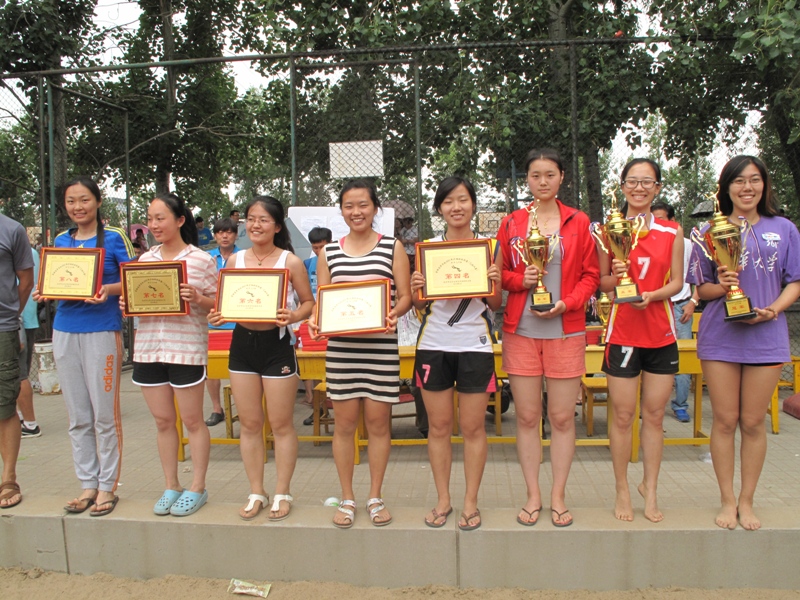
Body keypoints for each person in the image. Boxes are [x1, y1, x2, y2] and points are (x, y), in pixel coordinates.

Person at [688, 155, 800, 531]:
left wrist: (772, 311)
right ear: (727, 187)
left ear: (764, 185)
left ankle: (748, 500)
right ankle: (727, 499)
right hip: (721, 337)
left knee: (753, 421)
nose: (747, 187)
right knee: (725, 420)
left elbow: (795, 281)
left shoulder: (784, 229)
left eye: (754, 180)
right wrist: (723, 284)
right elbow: (701, 290)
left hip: (767, 336)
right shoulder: (710, 231)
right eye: (739, 181)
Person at [497, 148, 599, 527]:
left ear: (561, 178)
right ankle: (532, 495)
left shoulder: (578, 220)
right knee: (527, 416)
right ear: (527, 179)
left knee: (561, 417)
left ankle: (557, 495)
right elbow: (499, 274)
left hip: (565, 330)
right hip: (521, 331)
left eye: (550, 174)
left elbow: (591, 275)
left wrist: (567, 303)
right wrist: (518, 279)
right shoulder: (511, 223)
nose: (543, 181)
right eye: (536, 175)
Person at [310, 179, 412, 528]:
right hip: (342, 351)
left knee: (379, 426)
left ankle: (375, 496)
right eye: (349, 206)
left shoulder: (392, 247)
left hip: (380, 349)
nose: (356, 212)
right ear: (341, 211)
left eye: (363, 205)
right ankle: (347, 497)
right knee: (344, 426)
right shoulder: (328, 253)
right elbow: (322, 300)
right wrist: (315, 320)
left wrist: (393, 314)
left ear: (375, 208)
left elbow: (405, 296)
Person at [208, 197, 314, 521]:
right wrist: (217, 314)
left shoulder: (290, 261)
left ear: (277, 226)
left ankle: (282, 491)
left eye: (264, 219)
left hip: (277, 345)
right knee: (251, 424)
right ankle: (257, 491)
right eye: (251, 219)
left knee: (280, 424)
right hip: (242, 345)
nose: (256, 225)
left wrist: (293, 315)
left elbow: (309, 303)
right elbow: (224, 302)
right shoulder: (235, 260)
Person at [33, 177, 133, 516]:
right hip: (64, 330)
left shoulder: (115, 237)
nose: (78, 207)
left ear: (98, 202)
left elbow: (135, 279)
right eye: (71, 201)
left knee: (105, 415)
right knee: (77, 416)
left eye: (85, 200)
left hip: (102, 331)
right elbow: (55, 280)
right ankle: (87, 484)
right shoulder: (61, 241)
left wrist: (107, 290)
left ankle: (107, 487)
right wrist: (44, 290)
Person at [411, 177, 502, 531]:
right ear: (439, 208)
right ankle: (443, 499)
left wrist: (493, 280)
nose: (456, 207)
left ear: (473, 205)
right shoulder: (428, 249)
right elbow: (419, 304)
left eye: (463, 199)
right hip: (434, 345)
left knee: (473, 427)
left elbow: (495, 303)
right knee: (439, 427)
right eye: (448, 201)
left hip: (474, 346)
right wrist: (418, 290)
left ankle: (471, 502)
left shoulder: (489, 247)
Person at [599, 158, 684, 523]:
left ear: (657, 188)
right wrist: (616, 278)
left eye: (647, 181)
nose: (639, 187)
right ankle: (621, 488)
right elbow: (601, 282)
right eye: (632, 181)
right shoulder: (609, 229)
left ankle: (650, 487)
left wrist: (652, 295)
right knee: (622, 415)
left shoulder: (671, 231)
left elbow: (677, 282)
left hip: (661, 333)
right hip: (622, 333)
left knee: (654, 415)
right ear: (622, 187)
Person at [125, 193, 217, 517]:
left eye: (160, 218)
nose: (153, 225)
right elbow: (137, 302)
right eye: (150, 218)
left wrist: (198, 298)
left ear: (179, 220)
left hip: (185, 350)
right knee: (164, 421)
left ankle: (198, 486)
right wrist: (128, 304)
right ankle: (171, 484)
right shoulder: (143, 261)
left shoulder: (201, 260)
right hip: (149, 350)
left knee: (192, 420)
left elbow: (220, 305)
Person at [651, 201, 699, 423]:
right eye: (654, 219)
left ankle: (680, 404)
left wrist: (693, 302)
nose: (658, 223)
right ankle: (648, 405)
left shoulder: (687, 244)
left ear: (672, 220)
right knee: (649, 357)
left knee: (682, 358)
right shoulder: (645, 240)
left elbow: (700, 276)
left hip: (681, 307)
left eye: (662, 218)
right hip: (654, 306)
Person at [0, 214, 34, 509]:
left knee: (5, 404)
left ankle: (8, 477)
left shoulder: (12, 230)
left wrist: (10, 317)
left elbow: (26, 281)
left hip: (2, 329)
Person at [204, 218, 239, 427]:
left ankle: (243, 407)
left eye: (229, 232)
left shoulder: (244, 257)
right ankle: (217, 408)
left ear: (236, 235)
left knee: (240, 367)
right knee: (211, 368)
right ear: (215, 235)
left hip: (238, 322)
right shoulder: (206, 258)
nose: (224, 236)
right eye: (220, 232)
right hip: (212, 321)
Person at [301, 226, 332, 422]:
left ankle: (328, 404)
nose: (319, 251)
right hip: (313, 317)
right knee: (311, 363)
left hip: (332, 317)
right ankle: (316, 404)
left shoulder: (337, 261)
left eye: (322, 246)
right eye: (315, 247)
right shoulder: (307, 264)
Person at [18, 247, 41, 438]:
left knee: (19, 374)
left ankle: (30, 423)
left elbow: (24, 285)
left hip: (18, 321)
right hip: (25, 318)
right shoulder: (31, 252)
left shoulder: (21, 251)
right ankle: (19, 417)